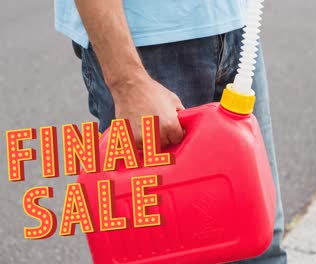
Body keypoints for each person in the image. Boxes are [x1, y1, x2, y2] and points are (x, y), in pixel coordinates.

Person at [55, 0, 287, 263]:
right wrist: (128, 82)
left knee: (260, 244)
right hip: (148, 44)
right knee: (170, 253)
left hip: (235, 25)